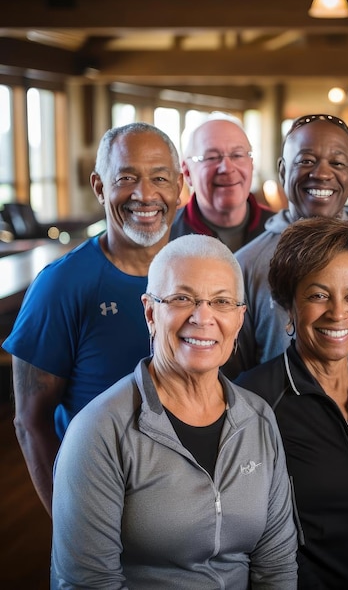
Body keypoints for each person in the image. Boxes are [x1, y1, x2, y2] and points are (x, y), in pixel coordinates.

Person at [51, 234, 298, 589]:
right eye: (182, 298)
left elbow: (275, 566)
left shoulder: (259, 419)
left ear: (240, 318)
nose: (203, 317)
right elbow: (88, 582)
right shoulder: (98, 431)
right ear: (150, 312)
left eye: (221, 301)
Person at [2, 122, 184, 516]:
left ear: (179, 186)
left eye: (159, 178)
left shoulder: (198, 269)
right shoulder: (62, 284)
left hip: (190, 507)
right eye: (126, 178)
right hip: (102, 503)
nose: (145, 194)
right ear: (99, 187)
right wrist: (70, 526)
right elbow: (30, 422)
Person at [235, 217, 348, 588]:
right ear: (289, 307)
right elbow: (244, 535)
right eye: (318, 295)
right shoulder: (256, 400)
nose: (338, 312)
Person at [224, 113, 348, 378]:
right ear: (282, 170)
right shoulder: (244, 266)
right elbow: (233, 376)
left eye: (337, 163)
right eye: (306, 161)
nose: (322, 173)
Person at [170, 111, 274, 252]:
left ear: (251, 165)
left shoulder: (280, 233)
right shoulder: (165, 236)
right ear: (187, 172)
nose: (227, 168)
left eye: (237, 155)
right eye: (212, 157)